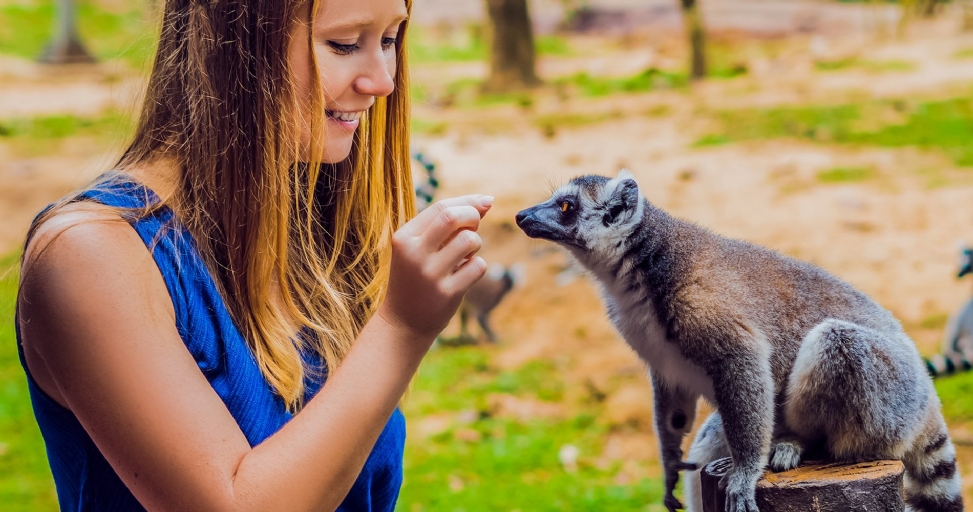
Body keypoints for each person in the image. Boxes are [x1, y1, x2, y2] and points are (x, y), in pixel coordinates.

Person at [15, 0, 492, 510]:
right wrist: (401, 330)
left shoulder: (311, 231)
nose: (382, 81)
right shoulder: (90, 257)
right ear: (234, 44)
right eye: (345, 44)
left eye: (391, 40)